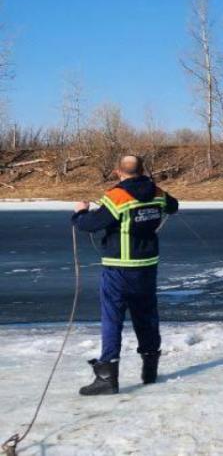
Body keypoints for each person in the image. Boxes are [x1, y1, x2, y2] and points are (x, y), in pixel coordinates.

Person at [72, 155, 179, 395]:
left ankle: (107, 377)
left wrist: (79, 213)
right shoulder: (157, 192)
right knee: (146, 316)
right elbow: (173, 206)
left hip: (119, 267)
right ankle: (149, 371)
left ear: (117, 172)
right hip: (147, 267)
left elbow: (90, 224)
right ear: (143, 170)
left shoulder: (117, 196)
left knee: (112, 318)